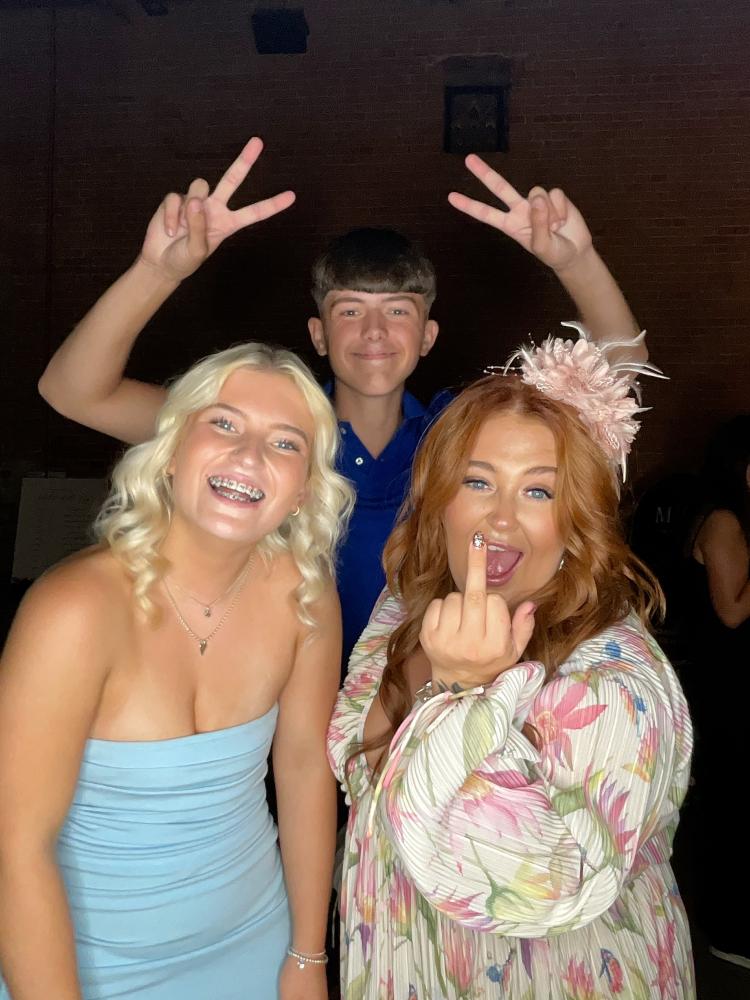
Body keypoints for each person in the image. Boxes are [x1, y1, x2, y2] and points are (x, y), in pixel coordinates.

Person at [38, 137, 648, 670]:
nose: (374, 332)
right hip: (272, 701)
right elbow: (73, 393)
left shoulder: (462, 431)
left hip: (425, 700)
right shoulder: (269, 432)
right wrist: (156, 270)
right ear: (319, 334)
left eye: (398, 312)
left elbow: (616, 385)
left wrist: (576, 262)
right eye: (350, 310)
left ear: (427, 336)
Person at [327, 329, 695, 999]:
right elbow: (364, 772)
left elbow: (543, 890)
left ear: (576, 518)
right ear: (439, 496)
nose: (499, 518)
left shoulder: (612, 682)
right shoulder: (406, 606)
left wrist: (462, 695)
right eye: (478, 481)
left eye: (538, 492)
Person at [0, 343, 353, 999]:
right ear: (169, 451)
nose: (249, 455)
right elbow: (17, 849)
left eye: (285, 443)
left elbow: (305, 766)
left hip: (256, 940)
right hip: (84, 960)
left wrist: (308, 955)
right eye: (223, 423)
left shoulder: (305, 593)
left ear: (303, 491)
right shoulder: (73, 611)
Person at [685, 415, 750, 969]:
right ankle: (728, 931)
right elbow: (732, 611)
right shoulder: (723, 521)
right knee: (731, 802)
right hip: (726, 685)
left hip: (739, 682)